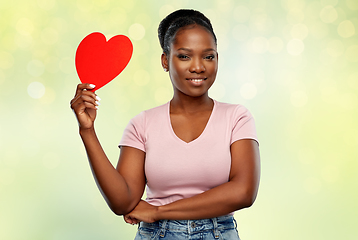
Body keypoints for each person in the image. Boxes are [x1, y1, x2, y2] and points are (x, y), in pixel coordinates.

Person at [70, 9, 260, 240]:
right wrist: (87, 130)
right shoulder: (142, 124)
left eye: (208, 56)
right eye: (184, 56)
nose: (198, 67)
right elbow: (124, 201)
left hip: (217, 233)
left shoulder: (237, 118)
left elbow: (244, 192)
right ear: (165, 60)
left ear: (217, 59)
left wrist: (159, 211)